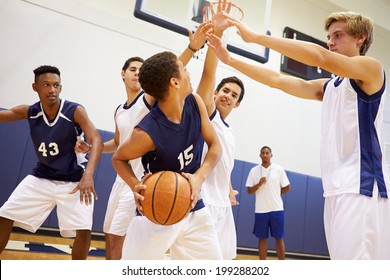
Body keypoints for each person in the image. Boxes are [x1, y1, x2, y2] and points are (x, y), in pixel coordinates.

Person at [207, 12, 390, 259]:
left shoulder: (371, 69)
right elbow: (277, 79)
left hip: (362, 187)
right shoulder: (330, 86)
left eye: (338, 35)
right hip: (336, 189)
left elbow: (320, 56)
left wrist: (256, 38)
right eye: (329, 37)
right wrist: (230, 60)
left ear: (360, 39)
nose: (330, 42)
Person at [111, 50, 223, 260]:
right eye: (185, 70)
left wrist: (199, 177)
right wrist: (135, 184)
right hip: (158, 210)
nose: (189, 73)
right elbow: (118, 158)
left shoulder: (195, 102)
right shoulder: (147, 132)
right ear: (175, 82)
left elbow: (215, 146)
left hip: (193, 206)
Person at [0, 65, 103, 260]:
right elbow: (5, 115)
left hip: (74, 180)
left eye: (56, 85)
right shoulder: (30, 111)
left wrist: (88, 175)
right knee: (4, 216)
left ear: (61, 88)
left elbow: (96, 140)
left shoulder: (74, 110)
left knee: (83, 230)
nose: (52, 90)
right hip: (42, 176)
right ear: (35, 87)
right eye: (46, 85)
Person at [75, 57, 154, 260]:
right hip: (121, 179)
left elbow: (166, 71)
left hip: (139, 180)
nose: (137, 73)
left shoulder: (148, 100)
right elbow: (118, 142)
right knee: (109, 236)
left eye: (141, 70)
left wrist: (192, 48)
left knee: (119, 238)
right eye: (133, 69)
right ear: (123, 73)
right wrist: (92, 148)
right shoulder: (119, 110)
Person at [191, 0, 245, 260]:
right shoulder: (208, 114)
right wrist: (218, 34)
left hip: (224, 204)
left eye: (234, 95)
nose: (228, 96)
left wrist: (228, 187)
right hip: (203, 201)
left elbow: (222, 163)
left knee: (226, 262)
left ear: (238, 103)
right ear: (215, 94)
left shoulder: (229, 130)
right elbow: (208, 73)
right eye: (225, 91)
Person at [245, 146, 290, 260]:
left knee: (279, 238)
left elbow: (287, 187)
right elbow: (249, 191)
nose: (265, 155)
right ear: (260, 155)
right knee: (262, 239)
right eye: (263, 153)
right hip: (261, 210)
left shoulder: (279, 169)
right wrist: (259, 184)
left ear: (271, 155)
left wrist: (276, 193)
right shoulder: (254, 171)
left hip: (276, 209)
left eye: (267, 153)